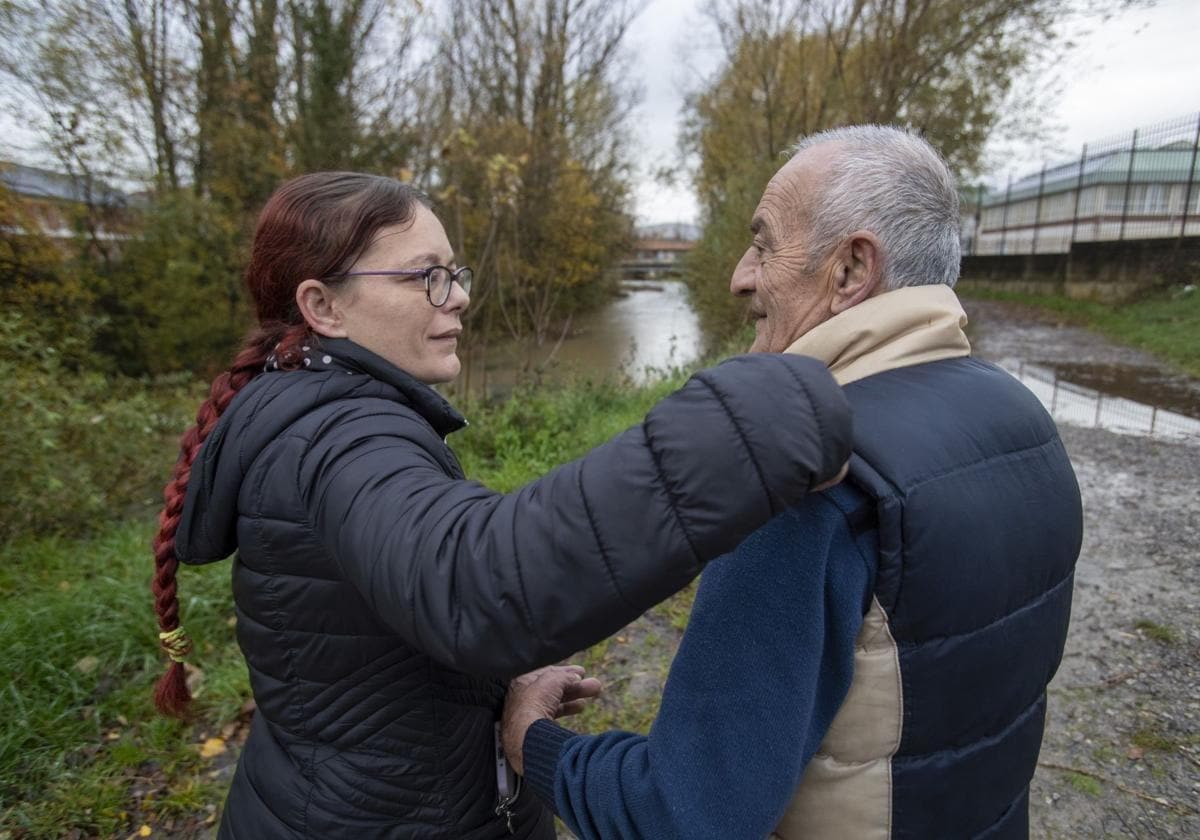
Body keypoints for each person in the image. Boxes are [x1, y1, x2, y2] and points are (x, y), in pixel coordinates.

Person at [149, 171, 854, 839]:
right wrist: (763, 415)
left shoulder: (314, 406)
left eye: (454, 273)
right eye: (425, 276)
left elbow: (380, 622)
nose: (455, 296)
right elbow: (472, 583)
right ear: (323, 306)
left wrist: (493, 687)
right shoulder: (339, 434)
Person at [503, 126, 1084, 839]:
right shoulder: (1019, 415)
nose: (738, 276)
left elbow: (680, 816)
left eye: (764, 243)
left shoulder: (803, 487)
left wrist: (533, 742)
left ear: (850, 271)